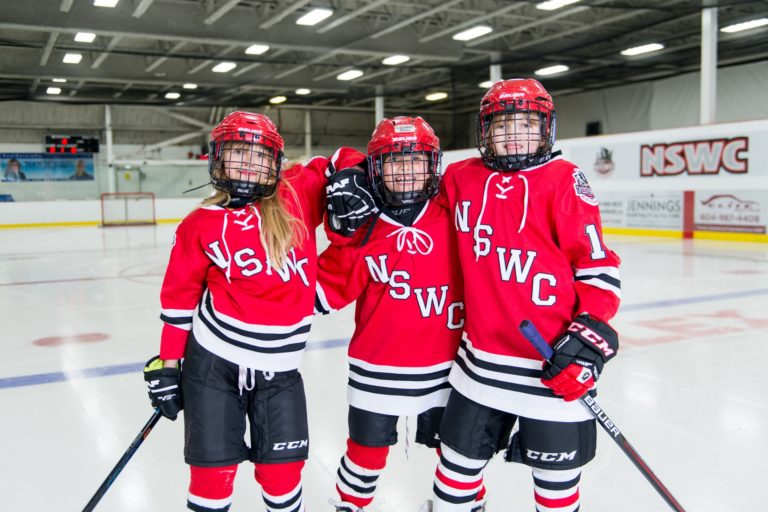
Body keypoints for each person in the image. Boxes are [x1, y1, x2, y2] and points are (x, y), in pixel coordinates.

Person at [327, 80, 622, 511]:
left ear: (547, 129)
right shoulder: (461, 177)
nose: (513, 135)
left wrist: (590, 333)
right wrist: (354, 172)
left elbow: (598, 267)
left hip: (550, 364)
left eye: (527, 124)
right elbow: (402, 170)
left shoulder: (563, 180)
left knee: (557, 488)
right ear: (485, 131)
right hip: (478, 369)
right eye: (502, 125)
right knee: (454, 478)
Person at [143, 111, 363, 512]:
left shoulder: (297, 192)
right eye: (238, 152)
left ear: (275, 162)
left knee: (283, 477)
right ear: (218, 158)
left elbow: (342, 159)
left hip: (281, 371)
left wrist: (353, 176)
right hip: (212, 366)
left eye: (259, 155)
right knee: (212, 480)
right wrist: (168, 366)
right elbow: (178, 302)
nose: (249, 163)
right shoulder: (199, 224)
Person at [316, 117, 486, 512]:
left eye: (416, 160)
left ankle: (464, 505)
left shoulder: (456, 215)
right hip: (376, 370)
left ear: (433, 165)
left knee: (458, 453)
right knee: (365, 453)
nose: (406, 171)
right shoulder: (364, 228)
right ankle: (351, 505)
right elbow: (315, 294)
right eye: (394, 160)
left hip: (451, 369)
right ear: (374, 168)